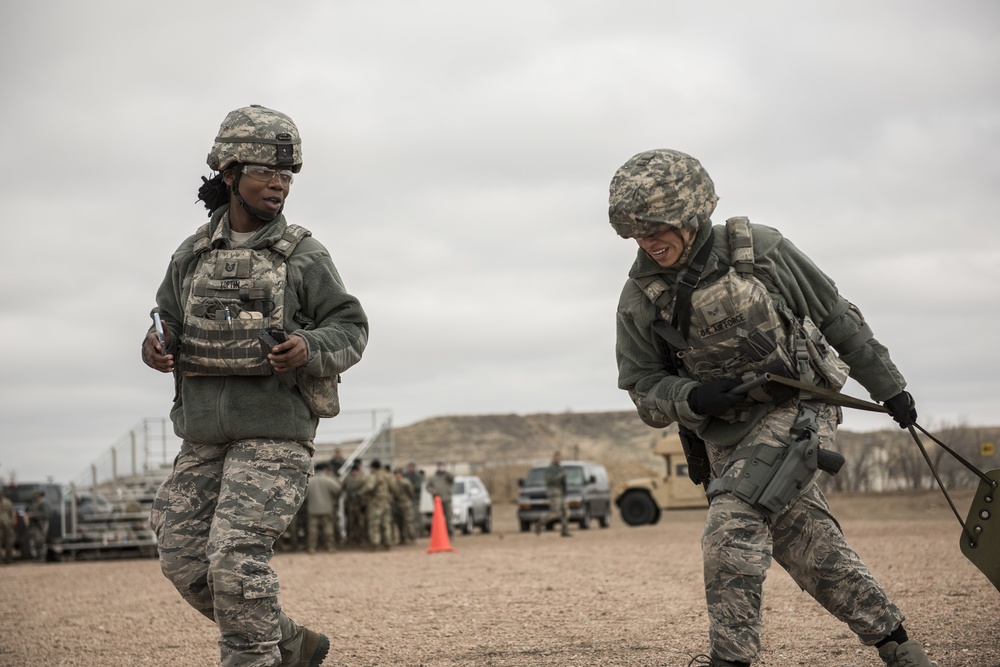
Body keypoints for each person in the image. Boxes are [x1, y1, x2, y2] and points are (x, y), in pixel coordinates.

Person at [609, 149, 931, 667]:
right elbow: (641, 386)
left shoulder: (761, 249)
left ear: (692, 216)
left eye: (657, 227)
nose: (648, 242)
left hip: (798, 410)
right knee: (808, 543)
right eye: (636, 233)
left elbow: (834, 315)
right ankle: (900, 646)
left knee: (730, 530)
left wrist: (889, 388)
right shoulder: (640, 299)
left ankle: (730, 660)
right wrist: (691, 397)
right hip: (726, 436)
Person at [142, 104, 368, 667]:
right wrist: (154, 346)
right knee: (182, 558)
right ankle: (289, 644)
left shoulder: (303, 255)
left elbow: (350, 326)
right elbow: (164, 319)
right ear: (230, 174)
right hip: (202, 437)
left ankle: (257, 659)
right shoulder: (192, 254)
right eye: (267, 172)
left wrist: (309, 348)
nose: (279, 184)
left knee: (235, 560)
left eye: (287, 175)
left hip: (274, 435)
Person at [306, 464, 342, 554]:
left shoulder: (309, 481)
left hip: (313, 509)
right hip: (326, 508)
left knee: (313, 530)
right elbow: (338, 489)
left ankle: (312, 548)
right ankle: (330, 547)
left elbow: (303, 495)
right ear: (324, 470)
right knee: (328, 529)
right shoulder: (328, 480)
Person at [537, 451, 571, 537]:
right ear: (553, 458)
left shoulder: (560, 468)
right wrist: (560, 476)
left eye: (559, 457)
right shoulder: (550, 469)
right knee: (555, 513)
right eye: (556, 457)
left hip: (561, 492)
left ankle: (565, 530)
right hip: (554, 492)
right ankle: (540, 523)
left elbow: (564, 482)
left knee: (566, 512)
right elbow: (549, 480)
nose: (558, 459)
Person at [361, 460, 393, 551]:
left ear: (373, 467)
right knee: (386, 523)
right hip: (386, 502)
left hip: (375, 503)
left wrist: (363, 493)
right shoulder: (387, 475)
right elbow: (394, 487)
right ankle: (388, 543)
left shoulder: (374, 476)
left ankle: (375, 543)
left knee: (374, 524)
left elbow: (369, 487)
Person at [425, 462, 455, 538]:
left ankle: (450, 534)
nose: (440, 467)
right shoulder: (433, 478)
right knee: (438, 520)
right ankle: (439, 535)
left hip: (447, 500)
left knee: (448, 518)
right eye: (439, 466)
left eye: (442, 466)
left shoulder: (447, 476)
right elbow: (428, 487)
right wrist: (433, 491)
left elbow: (452, 478)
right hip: (437, 502)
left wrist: (446, 471)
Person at [391, 469, 415, 545]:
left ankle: (412, 537)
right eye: (396, 474)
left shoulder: (406, 482)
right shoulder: (393, 483)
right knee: (399, 522)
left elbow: (411, 492)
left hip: (406, 503)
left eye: (399, 474)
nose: (397, 475)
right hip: (398, 504)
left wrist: (409, 500)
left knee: (408, 521)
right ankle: (402, 538)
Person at [402, 462, 424, 538]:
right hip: (406, 499)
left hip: (415, 499)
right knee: (407, 518)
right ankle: (408, 534)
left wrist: (408, 486)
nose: (410, 468)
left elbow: (417, 486)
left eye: (412, 467)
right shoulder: (405, 475)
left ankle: (416, 533)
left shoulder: (417, 476)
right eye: (409, 467)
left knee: (415, 516)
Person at [26, 490, 49, 562]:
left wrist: (34, 515)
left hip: (41, 524)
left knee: (41, 541)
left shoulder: (43, 503)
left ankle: (42, 557)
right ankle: (37, 557)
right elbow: (29, 511)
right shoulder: (35, 504)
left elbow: (45, 514)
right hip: (35, 525)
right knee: (35, 541)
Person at [0, 487, 14, 564]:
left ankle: (8, 559)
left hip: (7, 525)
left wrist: (11, 522)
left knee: (9, 543)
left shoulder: (7, 502)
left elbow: (12, 513)